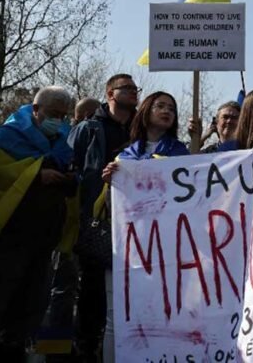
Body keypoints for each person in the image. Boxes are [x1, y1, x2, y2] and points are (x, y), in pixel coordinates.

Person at [0, 86, 75, 361]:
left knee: (31, 303)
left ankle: (11, 352)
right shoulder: (9, 134)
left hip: (45, 234)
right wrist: (36, 174)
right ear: (36, 109)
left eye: (63, 115)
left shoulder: (63, 139)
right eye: (53, 114)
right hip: (11, 234)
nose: (58, 121)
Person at [97, 91, 188, 362]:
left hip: (165, 250)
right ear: (146, 111)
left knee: (163, 315)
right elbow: (113, 207)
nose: (167, 111)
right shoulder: (124, 156)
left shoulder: (181, 153)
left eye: (171, 108)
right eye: (160, 106)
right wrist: (108, 182)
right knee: (117, 317)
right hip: (125, 249)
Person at [67, 74, 138, 359]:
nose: (134, 93)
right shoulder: (89, 129)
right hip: (97, 222)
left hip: (134, 224)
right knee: (93, 291)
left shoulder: (139, 130)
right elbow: (72, 168)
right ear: (110, 93)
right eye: (128, 89)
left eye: (136, 89)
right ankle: (86, 347)